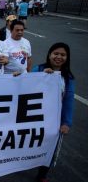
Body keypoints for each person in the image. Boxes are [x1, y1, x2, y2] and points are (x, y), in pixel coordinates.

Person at [32, 42, 75, 182]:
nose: (59, 57)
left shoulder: (68, 78)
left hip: (53, 120)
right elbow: (26, 86)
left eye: (63, 55)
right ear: (49, 55)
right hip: (35, 117)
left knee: (50, 148)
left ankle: (42, 175)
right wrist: (41, 76)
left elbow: (68, 101)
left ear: (67, 57)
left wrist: (66, 123)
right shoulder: (38, 68)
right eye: (56, 53)